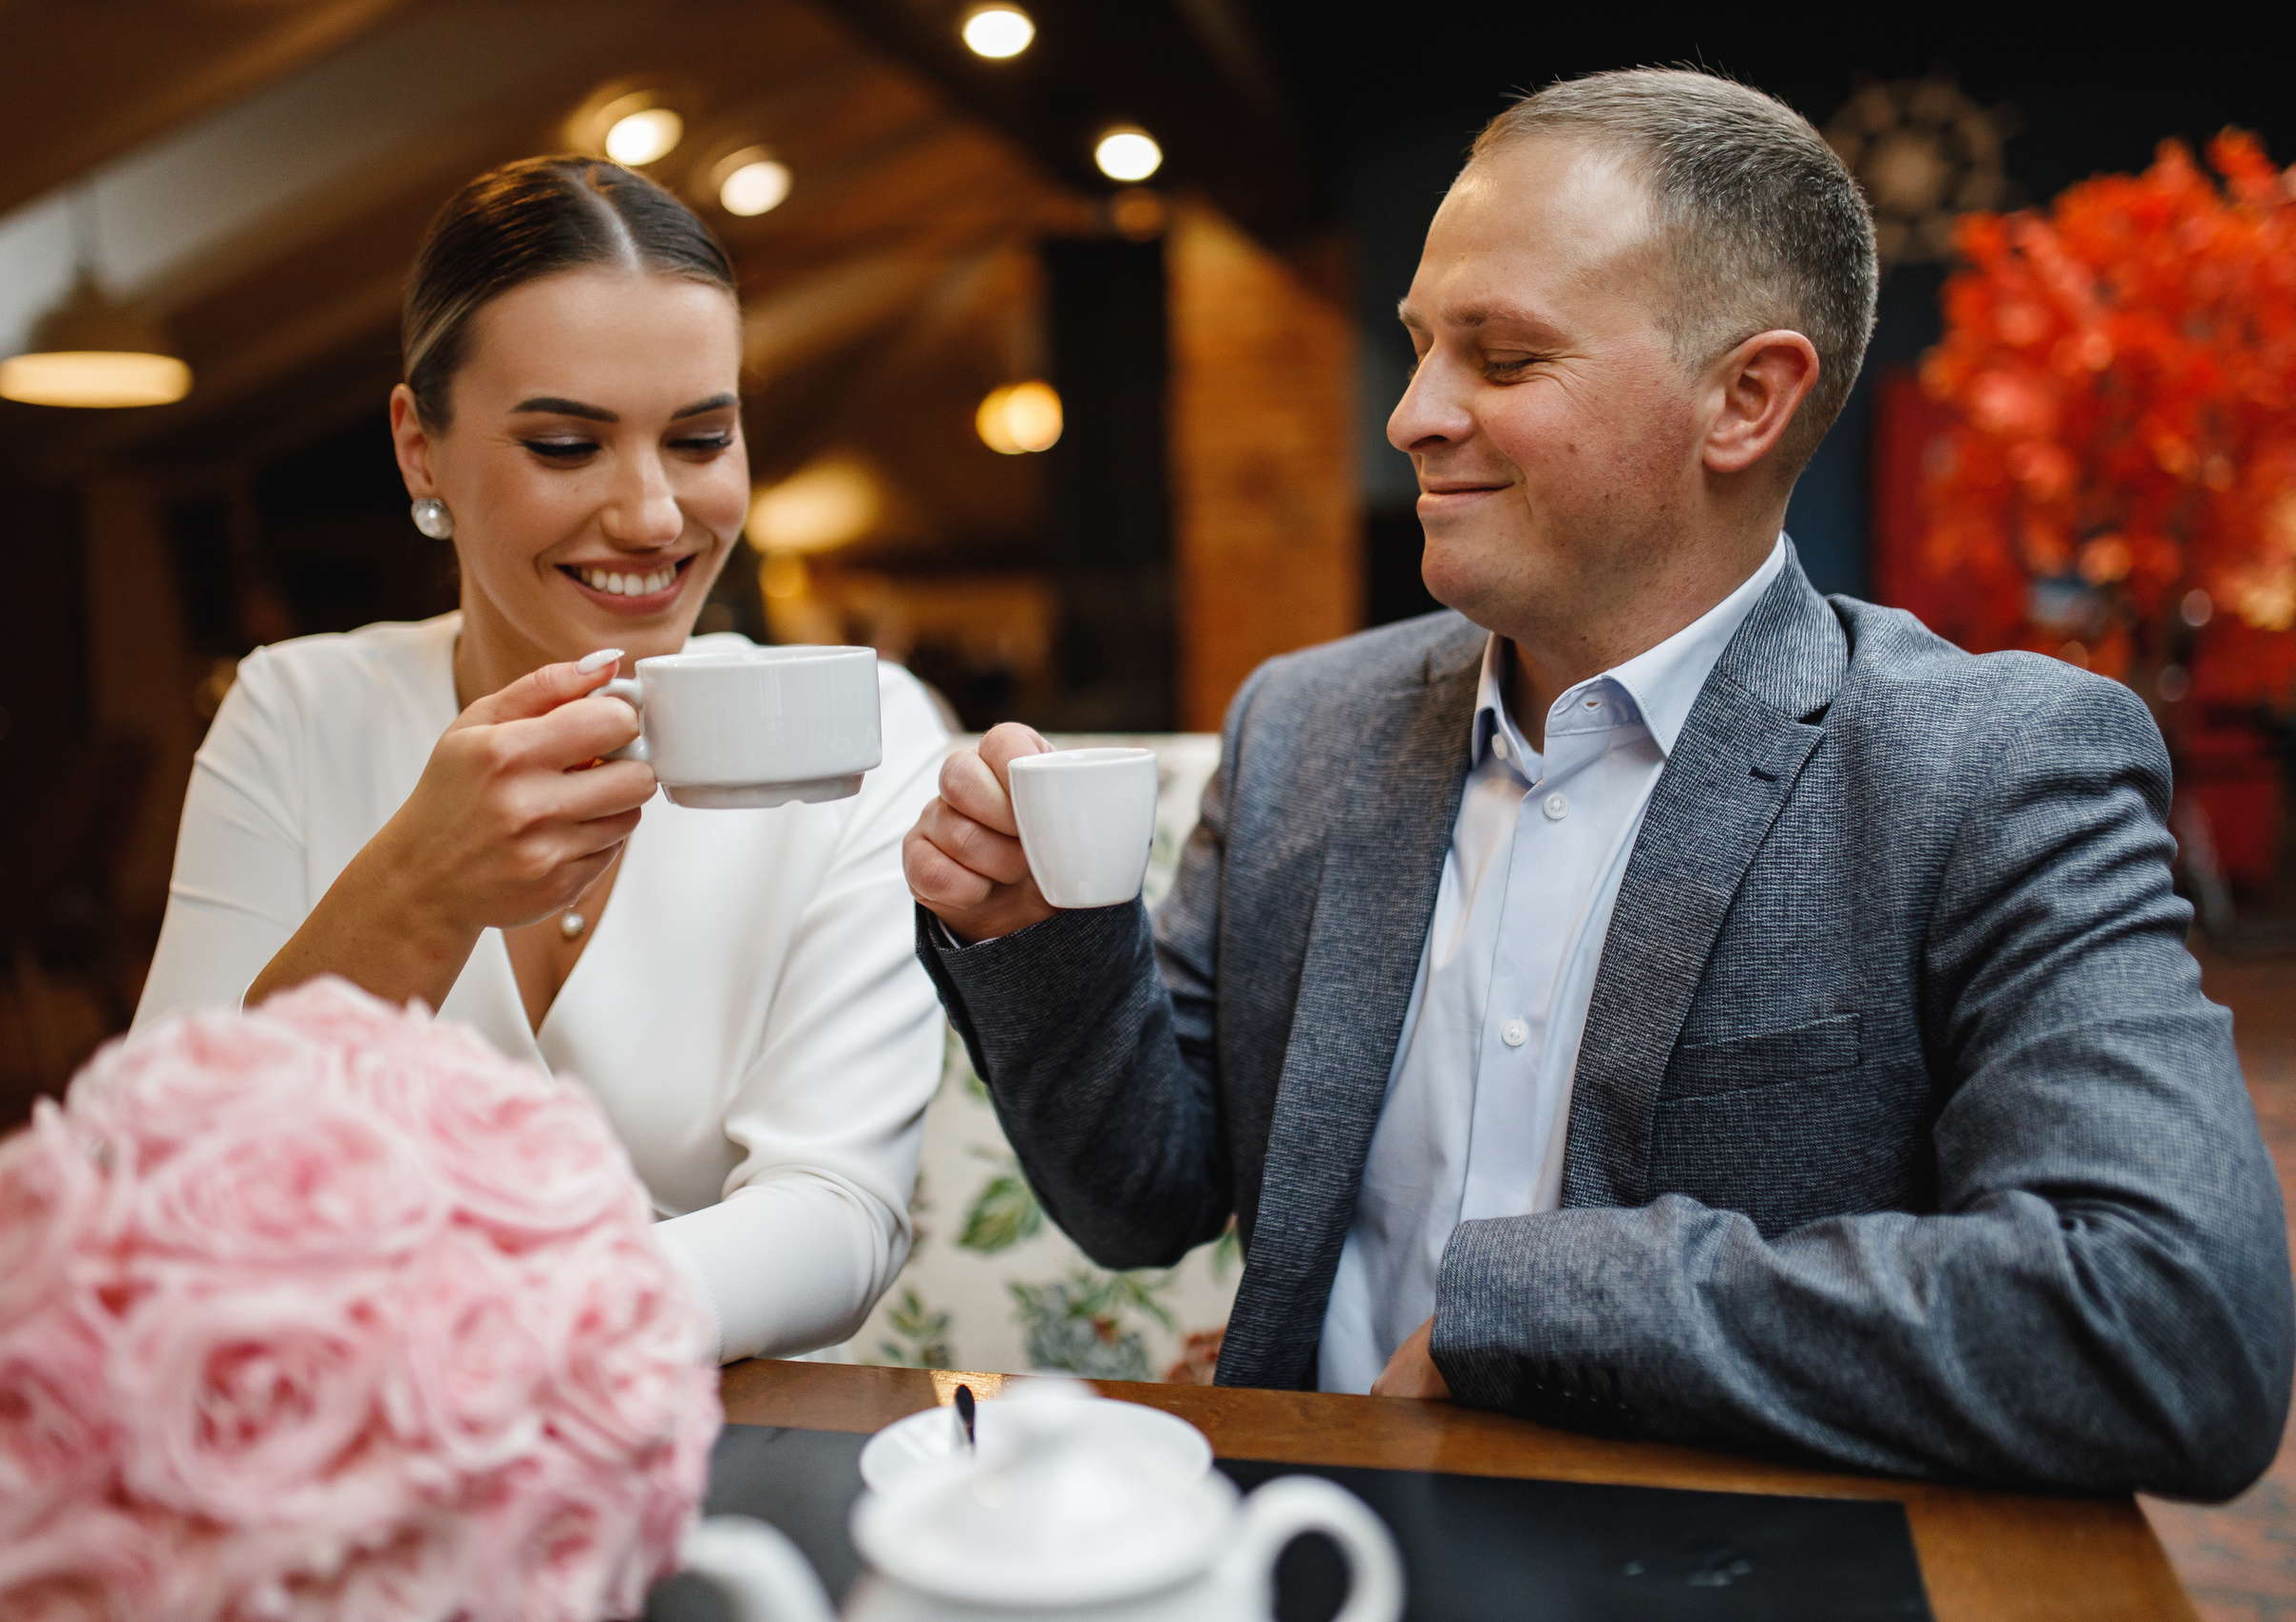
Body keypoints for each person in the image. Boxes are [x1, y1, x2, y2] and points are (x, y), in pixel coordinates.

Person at [902, 69, 2295, 1497]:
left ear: (1746, 398)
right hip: (1298, 1550)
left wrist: (1545, 1311)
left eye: (1501, 359)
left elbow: (2175, 1318)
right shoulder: (1304, 726)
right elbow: (1143, 1197)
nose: (1413, 415)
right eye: (1420, 345)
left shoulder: (1986, 767)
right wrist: (1039, 936)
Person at [136, 157, 950, 1364]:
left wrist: (467, 1343)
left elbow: (835, 1219)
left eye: (699, 438)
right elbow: (149, 1185)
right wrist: (414, 896)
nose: (655, 517)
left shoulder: (862, 731)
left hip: (715, 1456)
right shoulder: (296, 710)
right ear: (421, 449)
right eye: (567, 444)